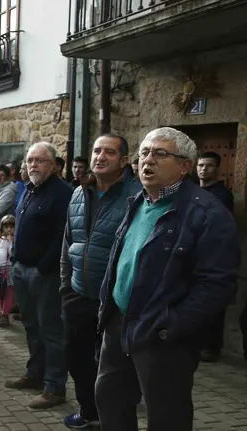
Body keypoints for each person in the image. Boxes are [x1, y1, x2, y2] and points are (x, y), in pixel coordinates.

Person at [94, 127, 239, 431]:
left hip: (162, 334)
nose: (148, 160)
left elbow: (217, 285)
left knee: (166, 415)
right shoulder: (138, 201)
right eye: (144, 152)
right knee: (110, 398)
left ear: (184, 166)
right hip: (119, 323)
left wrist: (169, 325)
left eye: (160, 154)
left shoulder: (208, 213)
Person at [60, 134, 140, 429]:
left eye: (109, 152)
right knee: (76, 359)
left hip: (116, 301)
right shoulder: (78, 193)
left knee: (115, 370)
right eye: (96, 151)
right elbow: (68, 242)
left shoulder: (137, 195)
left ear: (124, 160)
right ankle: (88, 410)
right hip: (79, 294)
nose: (100, 157)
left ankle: (114, 419)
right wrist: (65, 285)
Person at [6, 142, 72, 409]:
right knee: (31, 327)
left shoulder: (62, 193)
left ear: (53, 165)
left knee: (51, 331)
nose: (33, 165)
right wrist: (15, 260)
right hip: (22, 269)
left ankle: (55, 387)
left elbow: (62, 235)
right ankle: (35, 374)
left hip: (45, 274)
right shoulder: (29, 189)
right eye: (30, 160)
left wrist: (42, 267)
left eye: (40, 160)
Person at [196, 151, 234, 362]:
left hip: (213, 253)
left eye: (209, 165)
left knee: (213, 302)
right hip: (194, 254)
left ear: (217, 169)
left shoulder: (222, 194)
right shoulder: (193, 190)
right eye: (201, 165)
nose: (204, 169)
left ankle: (211, 347)